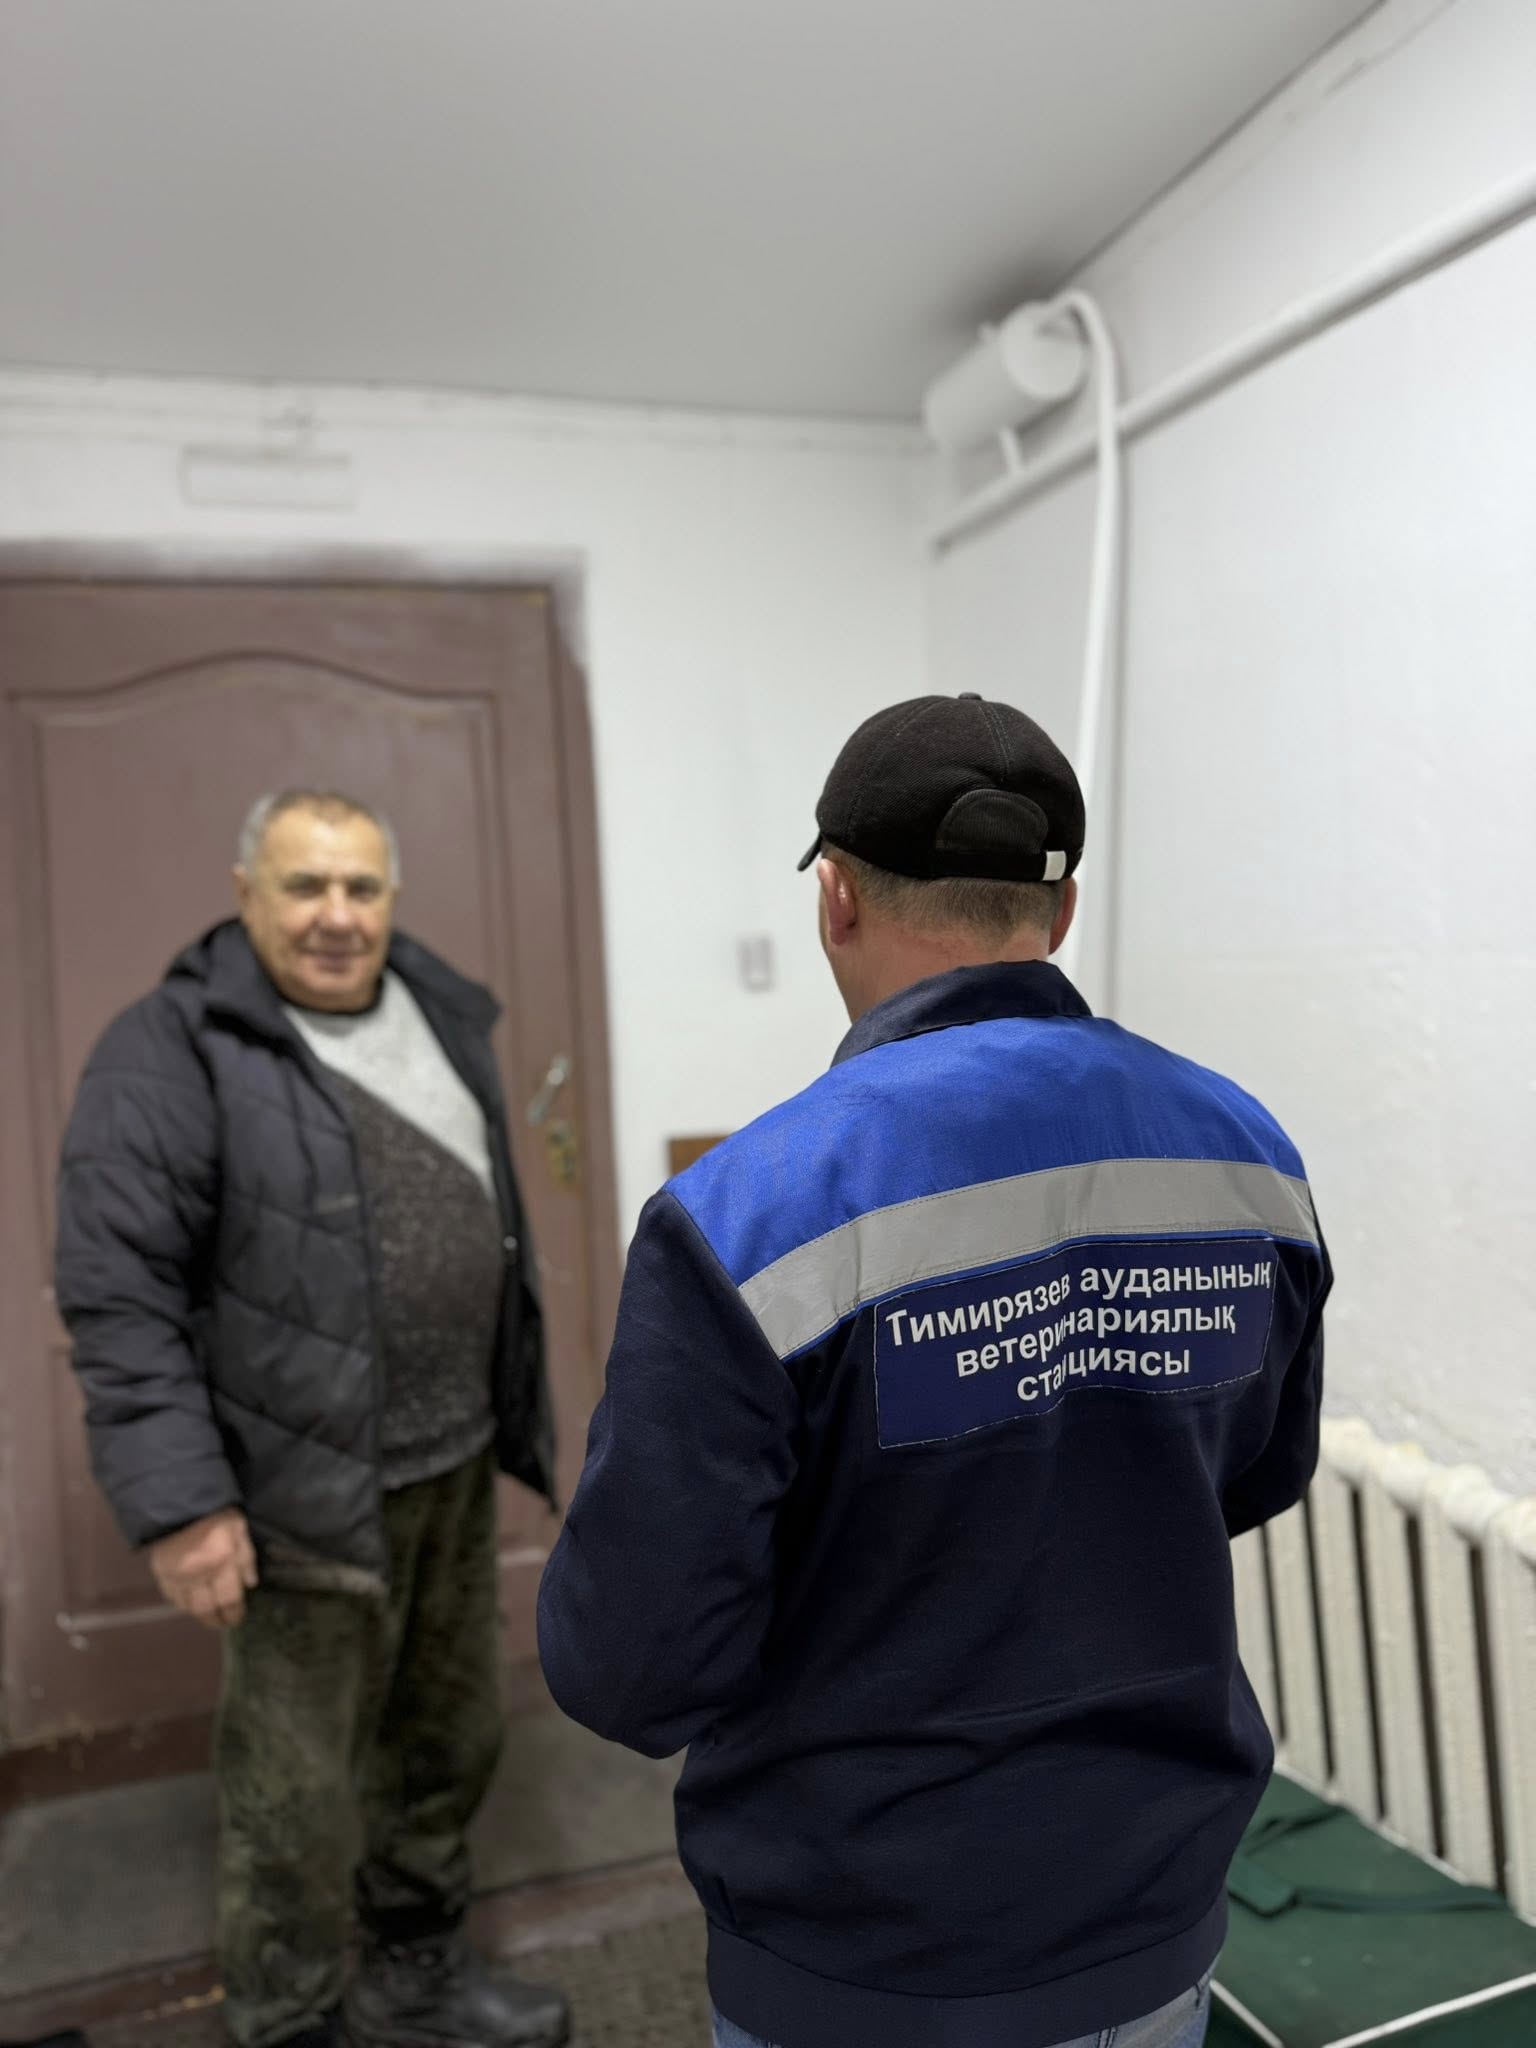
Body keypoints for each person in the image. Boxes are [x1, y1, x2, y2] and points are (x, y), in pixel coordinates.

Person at [538, 695, 1332, 2048]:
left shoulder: (748, 1214)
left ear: (836, 897)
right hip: (1152, 1918)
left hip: (862, 1955)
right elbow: (1256, 1469)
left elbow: (631, 1666)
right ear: (1062, 910)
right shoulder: (1244, 1151)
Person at [55, 791, 570, 2048]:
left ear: (392, 897)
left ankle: (416, 1972)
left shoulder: (439, 1006)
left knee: (446, 1738)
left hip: (451, 1458)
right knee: (291, 1787)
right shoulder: (170, 1047)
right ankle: (287, 2017)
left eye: (361, 886)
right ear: (246, 893)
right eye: (304, 885)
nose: (336, 915)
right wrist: (184, 1503)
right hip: (294, 1485)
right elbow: (120, 1293)